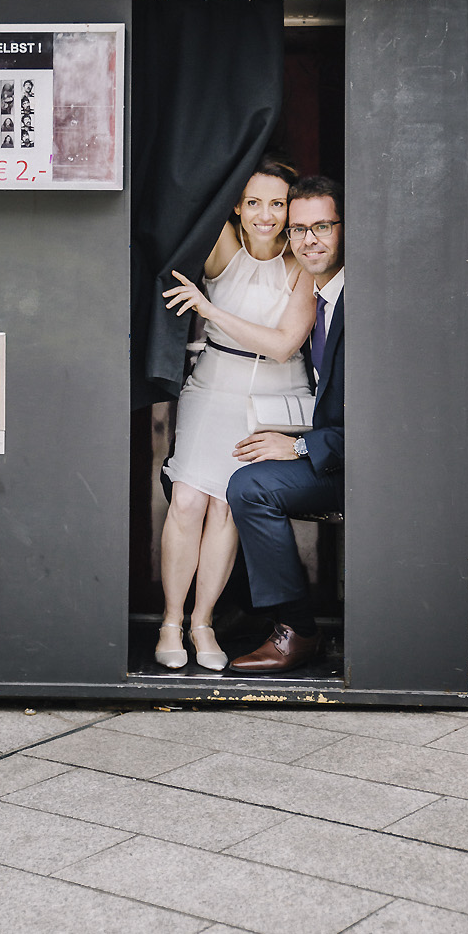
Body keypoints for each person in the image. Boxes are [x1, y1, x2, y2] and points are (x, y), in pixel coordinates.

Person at [157, 156, 316, 671]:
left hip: (272, 397)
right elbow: (188, 196)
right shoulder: (223, 245)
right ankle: (170, 621)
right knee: (185, 502)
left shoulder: (303, 263)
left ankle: (203, 623)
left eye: (277, 203)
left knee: (227, 506)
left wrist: (209, 310)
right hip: (212, 386)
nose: (265, 215)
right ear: (237, 207)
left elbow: (283, 344)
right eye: (253, 203)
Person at [226, 175, 344, 675]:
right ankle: (256, 617)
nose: (309, 240)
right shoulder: (316, 298)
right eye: (298, 230)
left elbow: (384, 419)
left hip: (367, 464)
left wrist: (298, 449)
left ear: (344, 228)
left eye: (322, 226)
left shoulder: (365, 302)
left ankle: (297, 630)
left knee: (251, 487)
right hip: (331, 449)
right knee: (244, 475)